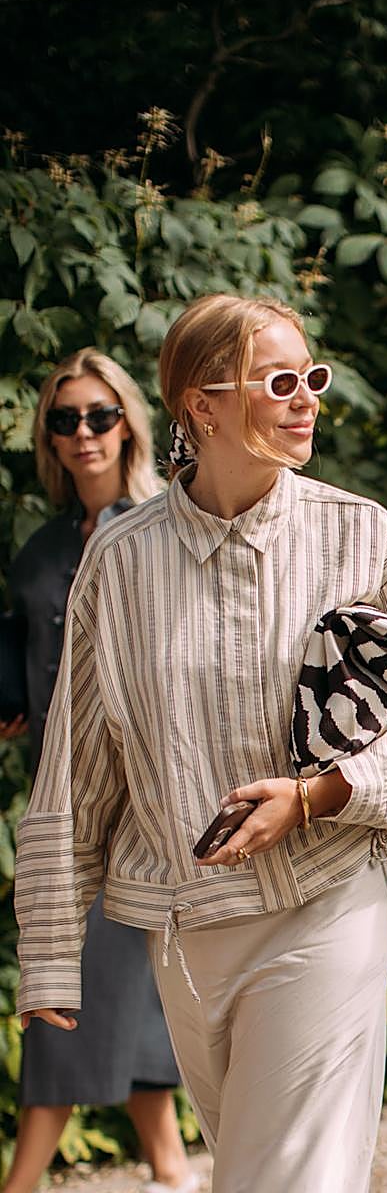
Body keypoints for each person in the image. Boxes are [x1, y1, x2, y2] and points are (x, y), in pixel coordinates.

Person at [13, 294, 387, 1193]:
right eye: (280, 381)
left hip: (328, 906)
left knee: (284, 1180)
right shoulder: (117, 564)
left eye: (312, 378)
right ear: (201, 404)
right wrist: (49, 952)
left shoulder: (361, 533)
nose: (308, 398)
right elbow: (76, 772)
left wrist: (322, 793)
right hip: (185, 936)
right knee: (257, 1169)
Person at [1, 349, 193, 1193]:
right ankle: (173, 1167)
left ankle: (22, 1179)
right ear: (49, 436)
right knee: (103, 984)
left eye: (99, 416)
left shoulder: (165, 523)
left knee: (68, 982)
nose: (83, 433)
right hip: (59, 800)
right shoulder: (39, 548)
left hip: (143, 799)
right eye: (65, 419)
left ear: (129, 424)